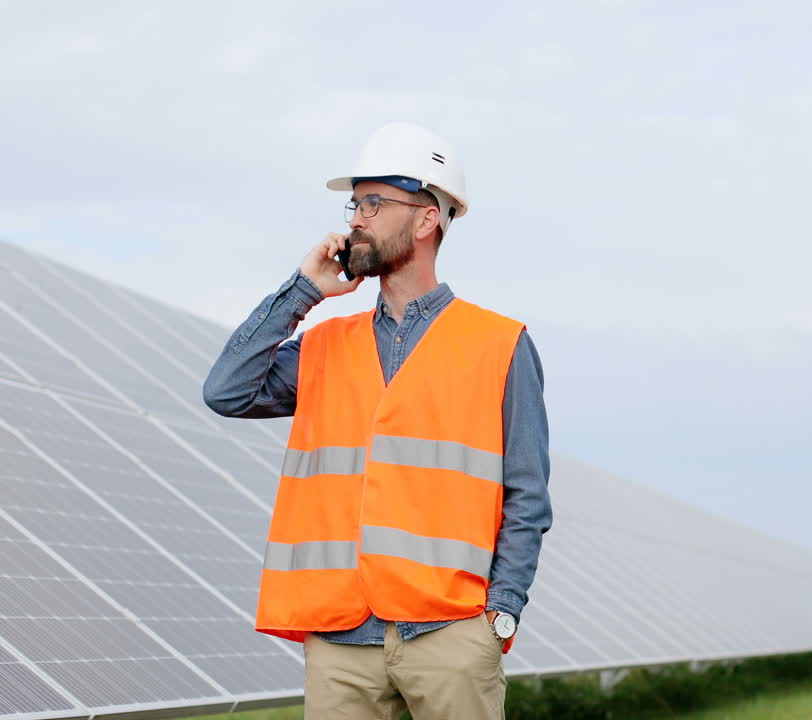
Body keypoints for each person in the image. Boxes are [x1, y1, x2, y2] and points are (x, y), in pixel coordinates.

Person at [203, 121, 552, 720]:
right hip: (341, 643)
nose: (355, 219)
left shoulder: (499, 344)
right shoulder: (323, 344)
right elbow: (226, 391)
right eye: (354, 203)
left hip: (450, 636)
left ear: (425, 220)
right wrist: (300, 293)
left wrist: (500, 616)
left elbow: (527, 497)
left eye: (373, 202)